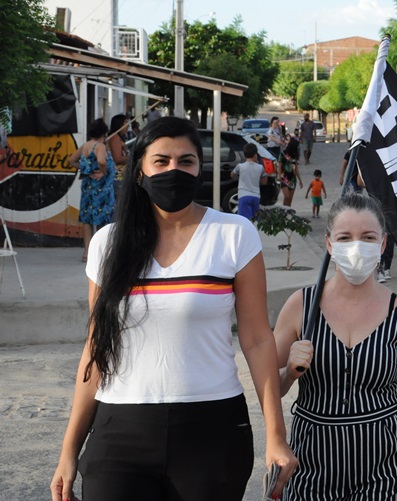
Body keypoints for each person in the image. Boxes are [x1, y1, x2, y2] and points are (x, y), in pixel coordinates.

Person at [51, 117, 297, 501]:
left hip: (212, 429)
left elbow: (257, 340)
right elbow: (96, 349)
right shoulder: (107, 244)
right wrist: (69, 450)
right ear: (139, 171)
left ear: (199, 169)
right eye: (161, 161)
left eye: (186, 161)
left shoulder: (234, 235)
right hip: (120, 429)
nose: (174, 170)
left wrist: (276, 436)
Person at [274, 192, 397, 501]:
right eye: (345, 237)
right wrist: (289, 372)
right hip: (311, 467)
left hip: (382, 471)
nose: (357, 246)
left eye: (368, 237)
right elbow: (269, 387)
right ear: (329, 244)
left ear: (383, 244)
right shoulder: (301, 306)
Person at [68, 118, 115, 263]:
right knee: (102, 220)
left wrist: (86, 169)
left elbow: (71, 161)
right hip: (101, 188)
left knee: (87, 220)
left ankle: (87, 253)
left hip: (87, 187)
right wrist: (102, 171)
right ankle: (101, 253)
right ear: (104, 133)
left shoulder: (85, 146)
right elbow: (101, 161)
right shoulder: (100, 146)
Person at [232, 142, 267, 221]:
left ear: (244, 155)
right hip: (255, 196)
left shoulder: (240, 166)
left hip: (243, 196)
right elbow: (264, 181)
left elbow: (232, 175)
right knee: (255, 220)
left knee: (244, 220)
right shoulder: (260, 167)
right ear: (255, 155)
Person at [107, 114, 129, 200]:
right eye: (126, 122)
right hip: (117, 177)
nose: (128, 125)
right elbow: (117, 158)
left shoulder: (119, 138)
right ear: (119, 125)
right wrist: (133, 158)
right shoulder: (115, 137)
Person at [278, 135, 303, 207]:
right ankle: (284, 211)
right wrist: (279, 176)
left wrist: (300, 180)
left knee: (290, 199)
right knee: (287, 196)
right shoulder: (282, 154)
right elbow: (279, 166)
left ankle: (287, 213)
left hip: (293, 179)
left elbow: (296, 168)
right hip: (284, 178)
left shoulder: (295, 156)